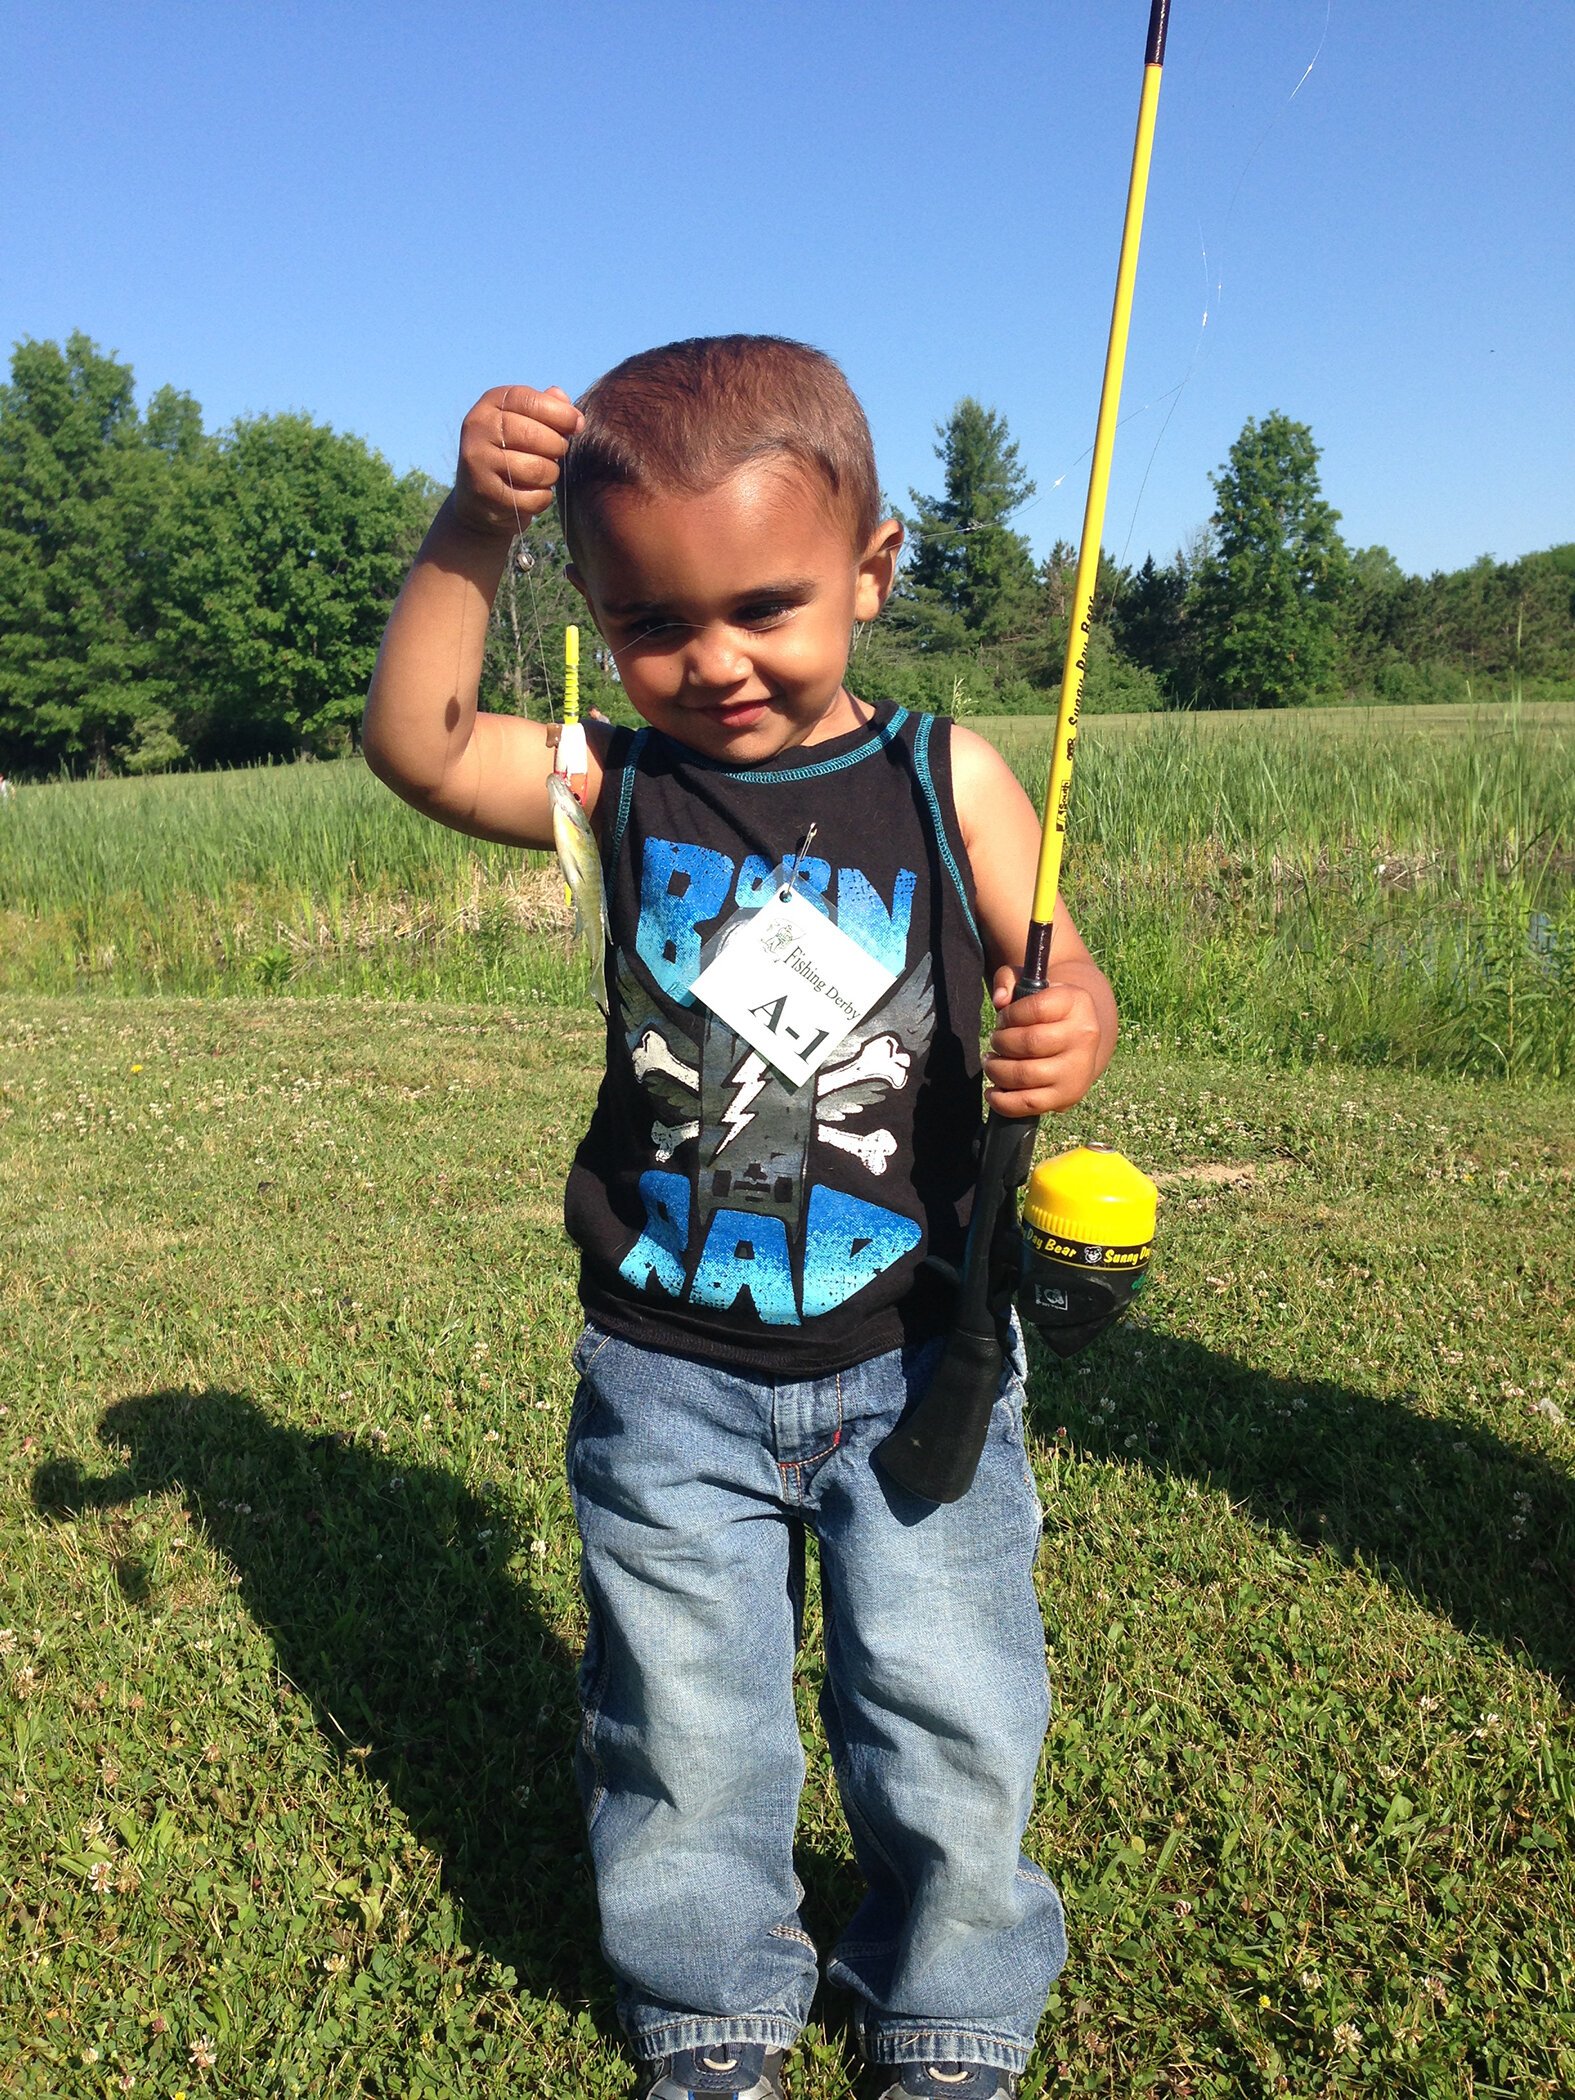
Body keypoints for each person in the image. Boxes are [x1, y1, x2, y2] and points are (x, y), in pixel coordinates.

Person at [363, 337, 1117, 2100]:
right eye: (653, 623)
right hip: (667, 1366)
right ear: (597, 615)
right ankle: (708, 2002)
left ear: (872, 569)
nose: (713, 661)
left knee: (951, 1706)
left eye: (766, 606)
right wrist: (473, 529)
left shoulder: (951, 776)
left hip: (920, 1351)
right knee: (683, 1719)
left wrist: (1074, 1018)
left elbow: (1061, 964)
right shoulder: (617, 785)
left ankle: (950, 2002)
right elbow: (418, 745)